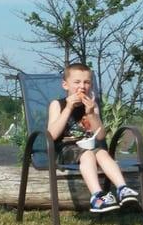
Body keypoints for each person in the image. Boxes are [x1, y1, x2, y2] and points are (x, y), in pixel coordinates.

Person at [48, 63, 138, 213]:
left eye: (87, 82)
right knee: (88, 154)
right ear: (65, 85)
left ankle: (122, 189)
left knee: (102, 153)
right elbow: (51, 135)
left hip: (88, 145)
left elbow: (101, 135)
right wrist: (69, 108)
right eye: (77, 82)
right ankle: (97, 196)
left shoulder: (91, 105)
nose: (82, 86)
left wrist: (91, 113)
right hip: (64, 149)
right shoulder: (58, 104)